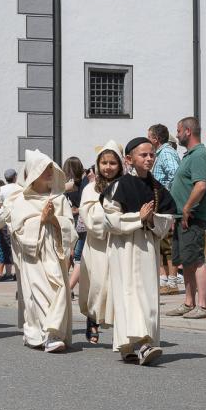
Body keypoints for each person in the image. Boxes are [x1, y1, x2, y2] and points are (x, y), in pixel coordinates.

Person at [102, 137, 177, 364]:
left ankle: (137, 344)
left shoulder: (157, 188)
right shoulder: (119, 186)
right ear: (129, 159)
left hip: (147, 247)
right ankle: (139, 344)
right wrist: (138, 218)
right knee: (129, 295)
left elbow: (167, 221)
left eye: (151, 154)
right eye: (143, 155)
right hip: (124, 247)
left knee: (146, 295)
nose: (149, 158)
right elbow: (110, 219)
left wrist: (151, 219)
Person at [2, 149, 75, 352]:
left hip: (54, 252)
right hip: (33, 256)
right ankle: (47, 334)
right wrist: (40, 221)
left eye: (51, 167)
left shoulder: (59, 199)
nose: (50, 171)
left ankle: (52, 332)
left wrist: (54, 220)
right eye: (44, 168)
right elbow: (17, 230)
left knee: (59, 288)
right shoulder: (22, 200)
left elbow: (69, 225)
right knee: (40, 293)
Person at [77, 141, 122, 345]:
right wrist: (111, 216)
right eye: (104, 162)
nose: (108, 167)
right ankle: (92, 319)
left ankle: (120, 328)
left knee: (116, 286)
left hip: (120, 244)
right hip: (97, 245)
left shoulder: (125, 185)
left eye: (113, 162)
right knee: (97, 285)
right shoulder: (91, 188)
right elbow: (89, 215)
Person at [167, 117, 206, 319]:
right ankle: (188, 302)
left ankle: (202, 306)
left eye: (178, 131)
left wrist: (186, 208)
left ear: (187, 131)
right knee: (186, 261)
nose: (176, 135)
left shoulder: (200, 155)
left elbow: (200, 185)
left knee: (197, 259)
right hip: (182, 217)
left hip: (192, 217)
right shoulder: (189, 155)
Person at [148, 123, 181, 292]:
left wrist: (170, 203)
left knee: (169, 244)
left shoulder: (166, 153)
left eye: (149, 137)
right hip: (161, 205)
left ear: (156, 138)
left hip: (167, 205)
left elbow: (176, 176)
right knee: (162, 244)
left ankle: (172, 281)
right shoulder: (160, 154)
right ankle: (165, 280)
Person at [0, 169, 19, 282]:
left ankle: (8, 272)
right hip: (20, 220)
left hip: (6, 222)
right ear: (15, 177)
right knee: (18, 247)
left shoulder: (2, 190)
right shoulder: (20, 188)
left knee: (6, 247)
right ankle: (17, 271)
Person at [62, 156, 87, 292]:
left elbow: (84, 204)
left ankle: (66, 289)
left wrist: (76, 210)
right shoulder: (76, 183)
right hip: (73, 222)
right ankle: (66, 286)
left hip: (80, 223)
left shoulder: (84, 183)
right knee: (71, 254)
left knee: (76, 256)